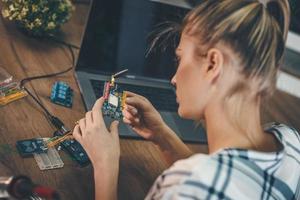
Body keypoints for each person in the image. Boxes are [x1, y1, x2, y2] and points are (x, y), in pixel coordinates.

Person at [72, 0, 300, 199]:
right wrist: (163, 136)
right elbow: (225, 176)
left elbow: (200, 184)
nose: (173, 78)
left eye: (180, 58)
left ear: (213, 64)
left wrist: (105, 165)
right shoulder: (290, 141)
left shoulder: (185, 186)